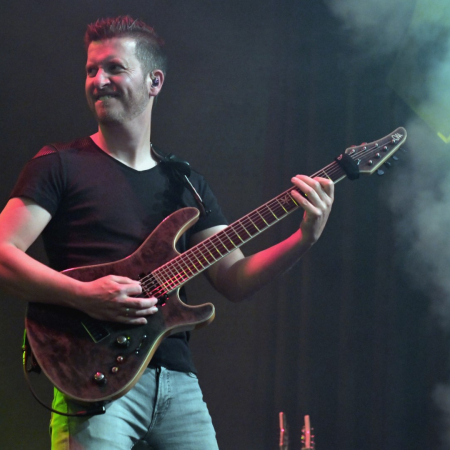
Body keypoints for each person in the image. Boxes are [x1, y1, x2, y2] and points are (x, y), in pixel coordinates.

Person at [0, 15, 334, 450]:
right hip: (92, 378)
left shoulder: (185, 183)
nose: (99, 81)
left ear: (154, 81)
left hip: (177, 380)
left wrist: (304, 238)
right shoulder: (58, 165)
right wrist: (85, 295)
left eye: (114, 68)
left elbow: (234, 278)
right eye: (91, 70)